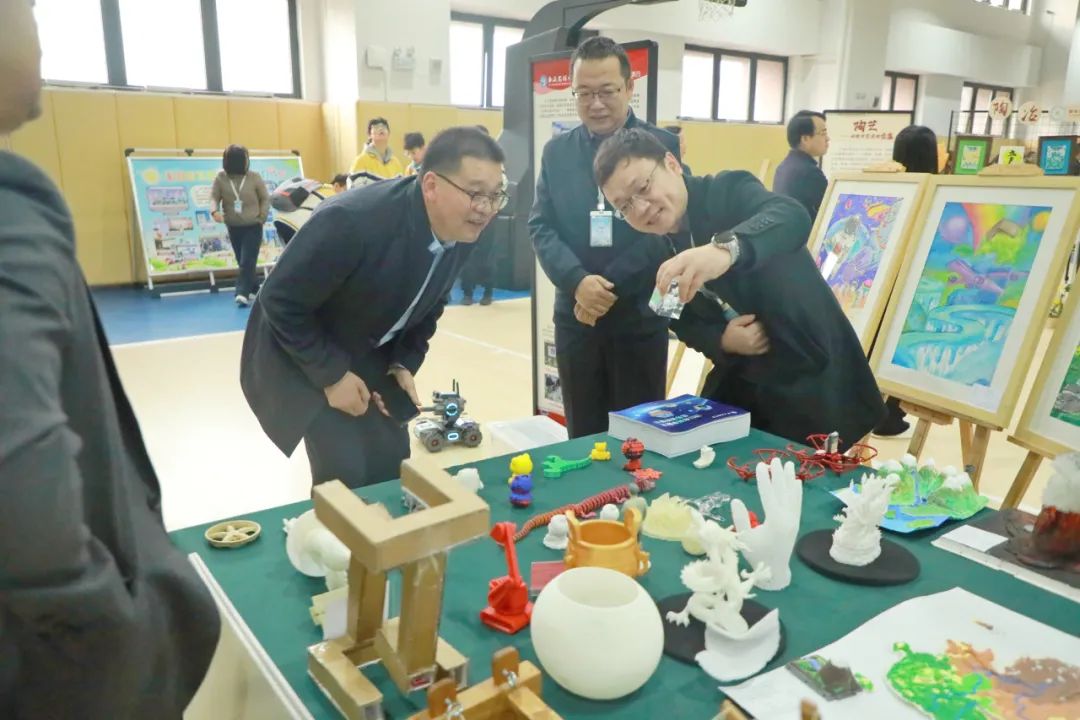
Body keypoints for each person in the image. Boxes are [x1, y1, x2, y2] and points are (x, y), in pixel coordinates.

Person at [0, 3, 219, 717]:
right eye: (29, 7)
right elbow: (18, 478)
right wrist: (116, 633)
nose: (38, 28)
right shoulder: (11, 203)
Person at [241, 127, 507, 488]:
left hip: (366, 341)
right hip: (304, 347)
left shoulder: (461, 229)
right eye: (475, 193)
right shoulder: (352, 222)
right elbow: (279, 299)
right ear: (431, 185)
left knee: (390, 462)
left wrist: (404, 361)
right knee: (345, 474)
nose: (485, 208)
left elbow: (432, 300)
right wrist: (332, 376)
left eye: (495, 195)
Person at [594, 128, 885, 449]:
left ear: (672, 164)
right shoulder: (656, 248)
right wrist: (721, 339)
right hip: (746, 375)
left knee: (805, 470)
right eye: (624, 206)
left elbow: (792, 216)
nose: (640, 209)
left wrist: (724, 251)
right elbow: (678, 318)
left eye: (643, 187)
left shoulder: (727, 191)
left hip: (809, 363)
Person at [529, 36, 680, 438]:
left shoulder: (661, 146)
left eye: (607, 91)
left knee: (640, 437)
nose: (595, 104)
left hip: (639, 317)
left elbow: (666, 229)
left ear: (629, 87)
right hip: (577, 318)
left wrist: (604, 288)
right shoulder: (557, 152)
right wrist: (578, 282)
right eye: (584, 93)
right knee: (583, 435)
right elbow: (541, 225)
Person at [871, 124, 940, 438]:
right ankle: (890, 415)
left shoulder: (889, 188)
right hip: (914, 286)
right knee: (902, 346)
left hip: (880, 282)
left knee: (876, 345)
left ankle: (876, 412)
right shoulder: (937, 192)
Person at [211, 144, 270, 307]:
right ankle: (255, 288)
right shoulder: (221, 178)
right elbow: (214, 197)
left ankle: (241, 293)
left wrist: (262, 217)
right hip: (233, 226)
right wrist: (214, 211)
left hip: (253, 226)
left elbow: (265, 198)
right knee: (242, 260)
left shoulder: (254, 177)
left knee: (247, 260)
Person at [773, 110, 829, 221]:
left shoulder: (783, 167)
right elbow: (829, 209)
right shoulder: (810, 173)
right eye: (823, 133)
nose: (827, 138)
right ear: (805, 139)